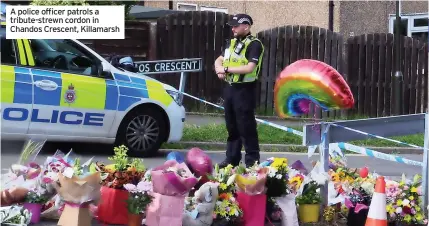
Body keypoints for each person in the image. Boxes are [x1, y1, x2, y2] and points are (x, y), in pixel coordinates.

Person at [214, 13, 265, 168]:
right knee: (232, 126)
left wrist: (226, 69)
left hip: (244, 91)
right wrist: (218, 69)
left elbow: (250, 68)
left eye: (236, 26)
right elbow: (219, 59)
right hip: (230, 89)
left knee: (246, 127)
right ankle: (231, 159)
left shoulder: (254, 44)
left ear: (246, 26)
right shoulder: (232, 43)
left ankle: (252, 163)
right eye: (232, 26)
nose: (233, 29)